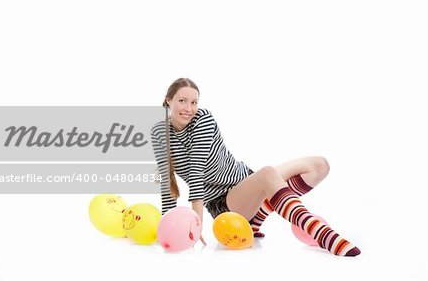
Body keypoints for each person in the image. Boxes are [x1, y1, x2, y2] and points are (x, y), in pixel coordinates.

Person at [150, 78, 361, 257]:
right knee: (268, 173)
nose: (189, 108)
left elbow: (197, 165)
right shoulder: (159, 132)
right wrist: (175, 227)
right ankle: (319, 232)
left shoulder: (202, 119)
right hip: (224, 201)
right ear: (168, 101)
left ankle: (256, 218)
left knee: (319, 165)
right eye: (182, 101)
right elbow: (171, 180)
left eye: (194, 102)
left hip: (247, 179)